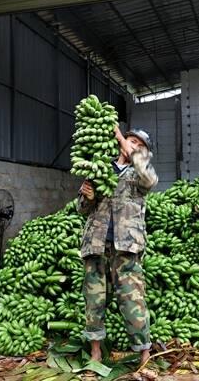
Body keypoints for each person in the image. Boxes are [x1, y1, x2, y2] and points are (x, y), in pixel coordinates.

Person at [77, 126, 158, 367]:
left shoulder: (140, 173)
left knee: (133, 300)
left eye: (138, 145)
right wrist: (87, 196)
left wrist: (122, 138)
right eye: (130, 141)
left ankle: (144, 352)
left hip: (127, 247)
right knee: (94, 299)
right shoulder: (100, 168)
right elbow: (82, 209)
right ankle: (95, 352)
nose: (132, 146)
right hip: (97, 244)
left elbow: (150, 179)